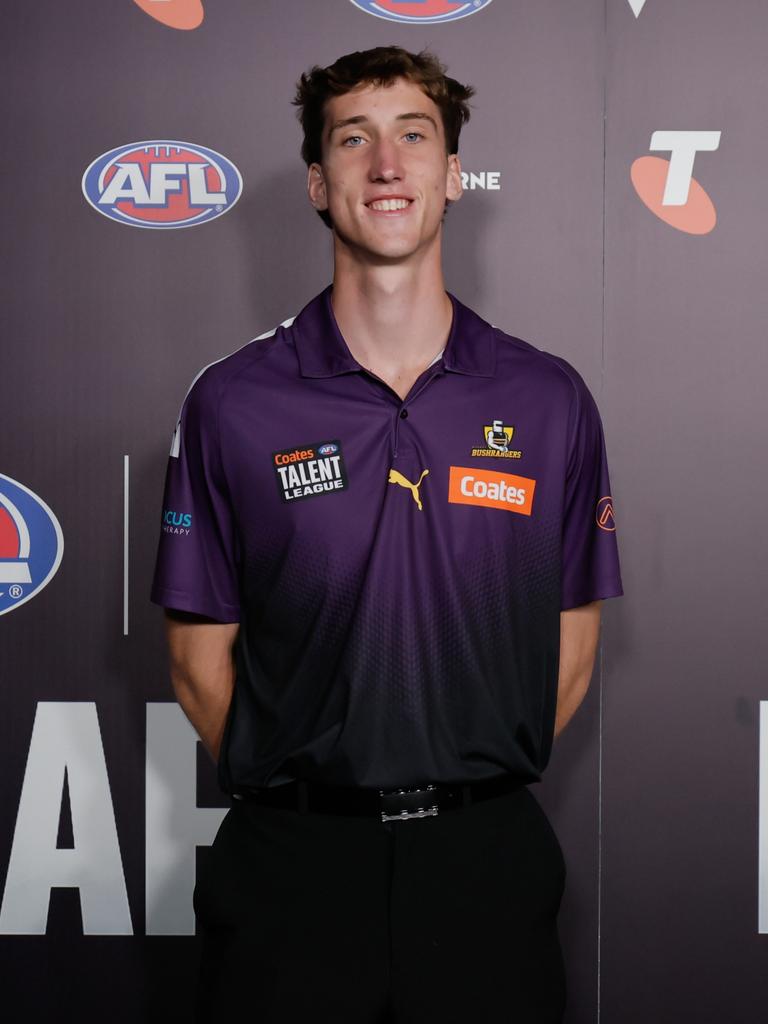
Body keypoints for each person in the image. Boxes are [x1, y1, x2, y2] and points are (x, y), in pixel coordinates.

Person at [151, 45, 623, 1024]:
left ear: (453, 175)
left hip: (485, 862)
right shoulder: (232, 402)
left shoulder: (547, 397)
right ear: (320, 184)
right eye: (353, 139)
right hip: (292, 869)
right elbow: (200, 666)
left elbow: (570, 649)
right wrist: (320, 789)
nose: (386, 164)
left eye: (415, 135)